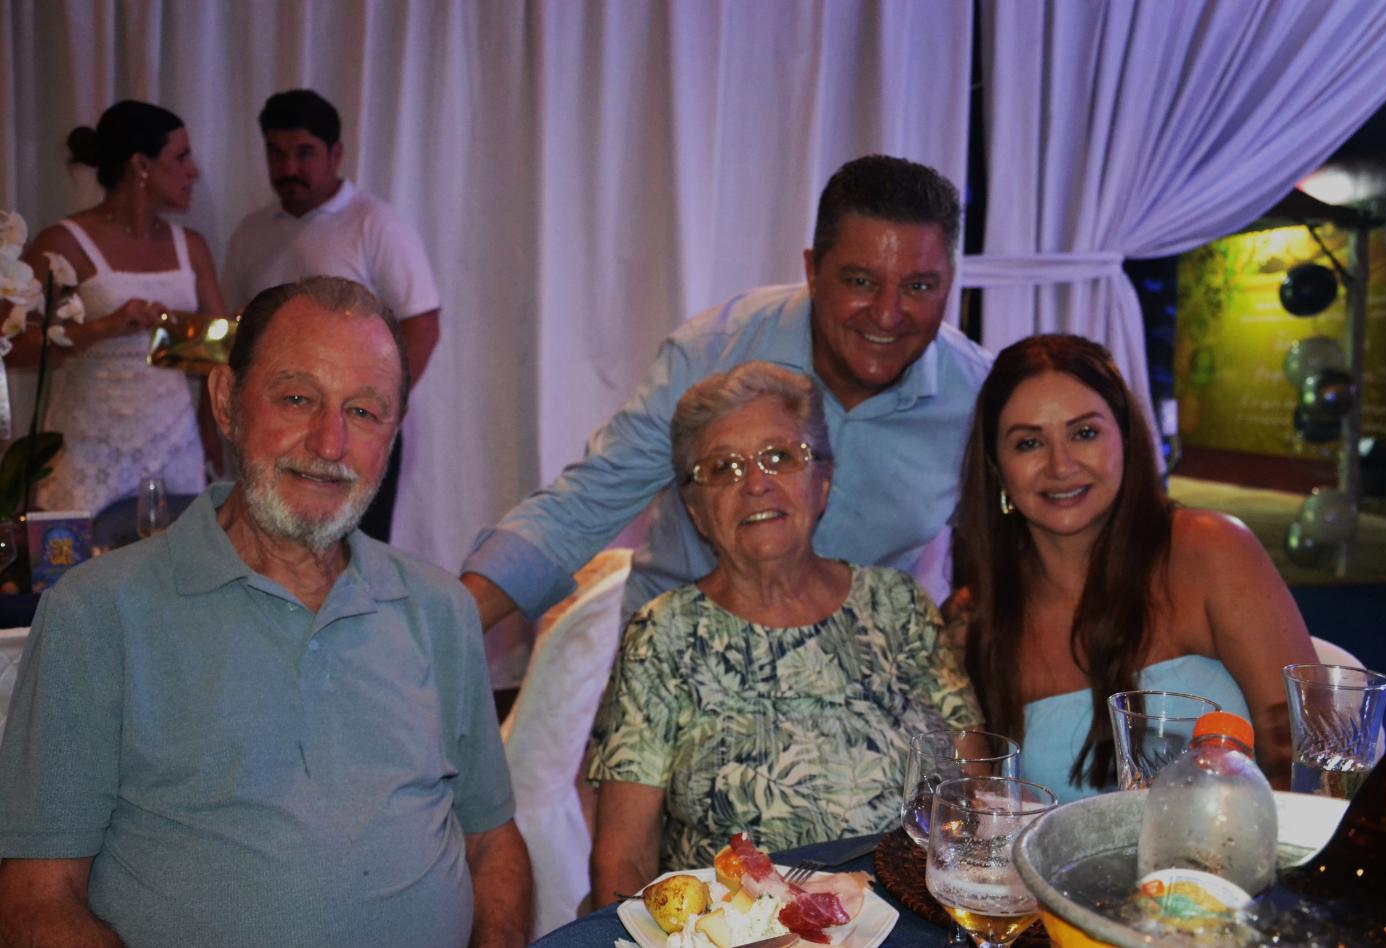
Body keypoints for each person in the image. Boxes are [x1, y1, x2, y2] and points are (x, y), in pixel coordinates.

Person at [0, 277, 531, 948]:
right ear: (227, 401)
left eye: (364, 412)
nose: (330, 443)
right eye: (298, 398)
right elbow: (36, 901)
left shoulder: (439, 610)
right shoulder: (98, 613)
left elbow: (492, 842)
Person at [462, 154, 992, 637]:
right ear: (812, 271)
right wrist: (450, 627)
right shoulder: (713, 352)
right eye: (860, 281)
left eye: (919, 287)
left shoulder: (977, 397)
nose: (887, 314)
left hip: (858, 679)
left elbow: (1007, 547)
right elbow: (585, 505)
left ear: (950, 282)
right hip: (680, 663)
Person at [586, 362, 981, 903]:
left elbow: (978, 790)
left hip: (917, 920)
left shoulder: (899, 605)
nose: (755, 483)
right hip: (743, 932)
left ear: (823, 482)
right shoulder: (663, 635)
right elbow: (622, 859)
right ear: (696, 510)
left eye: (779, 456)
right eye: (723, 468)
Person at [949, 334, 1316, 804]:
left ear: (1125, 438)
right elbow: (977, 809)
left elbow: (1309, 757)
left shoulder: (1210, 551)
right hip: (1062, 856)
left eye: (1084, 433)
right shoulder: (973, 620)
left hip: (1249, 847)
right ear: (996, 467)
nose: (1061, 466)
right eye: (1029, 443)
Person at [223, 88, 440, 542]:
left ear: (335, 154)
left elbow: (422, 325)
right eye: (276, 153)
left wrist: (375, 412)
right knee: (268, 539)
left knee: (353, 545)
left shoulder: (374, 224)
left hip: (354, 429)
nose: (289, 168)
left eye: (304, 153)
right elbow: (234, 331)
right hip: (275, 424)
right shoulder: (251, 231)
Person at [13, 100, 225, 514]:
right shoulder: (63, 242)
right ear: (141, 165)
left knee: (175, 551)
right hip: (86, 448)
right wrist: (102, 328)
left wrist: (209, 426)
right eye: (181, 157)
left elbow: (218, 353)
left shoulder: (192, 247)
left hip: (174, 445)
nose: (194, 171)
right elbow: (13, 346)